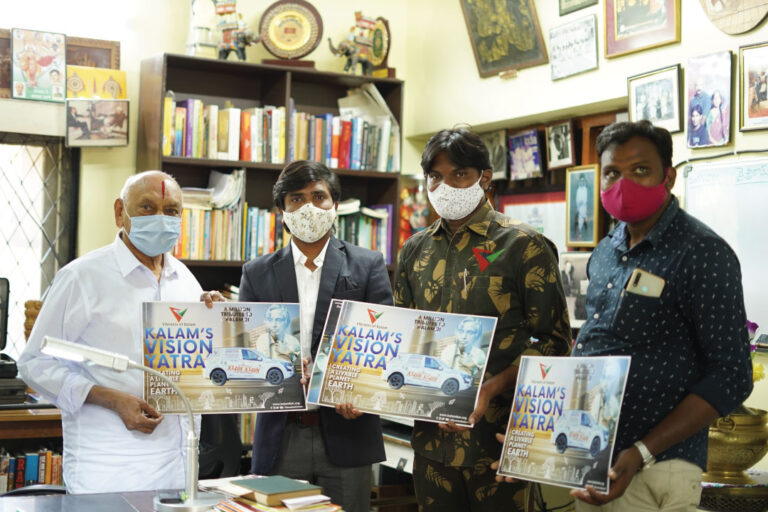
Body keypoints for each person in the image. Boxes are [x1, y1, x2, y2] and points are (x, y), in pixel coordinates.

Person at [570, 121, 752, 511]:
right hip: (593, 456)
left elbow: (732, 375)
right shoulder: (606, 251)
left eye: (640, 170)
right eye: (612, 173)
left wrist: (640, 452)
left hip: (657, 466)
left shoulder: (702, 252)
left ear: (667, 177)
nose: (623, 184)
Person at [394, 128, 571, 512]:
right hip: (431, 448)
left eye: (458, 174)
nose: (445, 186)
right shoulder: (414, 250)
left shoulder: (523, 244)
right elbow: (403, 339)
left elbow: (555, 345)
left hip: (498, 446)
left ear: (484, 178)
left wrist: (491, 387)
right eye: (435, 176)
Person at [18, 171, 215, 494]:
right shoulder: (82, 278)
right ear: (120, 212)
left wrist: (219, 321)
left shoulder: (185, 279)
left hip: (178, 472)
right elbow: (35, 363)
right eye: (147, 207)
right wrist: (109, 398)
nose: (161, 218)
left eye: (171, 211)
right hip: (109, 470)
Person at [240, 160, 392, 512]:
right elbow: (248, 348)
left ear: (335, 205)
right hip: (281, 433)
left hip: (349, 433)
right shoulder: (256, 273)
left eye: (318, 197)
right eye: (296, 199)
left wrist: (361, 392)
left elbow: (383, 347)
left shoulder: (367, 264)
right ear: (281, 211)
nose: (309, 207)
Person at [575, 174, 590, 239]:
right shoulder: (578, 190)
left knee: (585, 219)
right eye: (581, 181)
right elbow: (577, 200)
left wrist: (583, 202)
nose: (582, 182)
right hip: (580, 207)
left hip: (585, 207)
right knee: (580, 220)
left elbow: (587, 199)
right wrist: (579, 204)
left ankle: (587, 234)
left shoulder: (586, 189)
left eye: (583, 181)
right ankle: (580, 234)